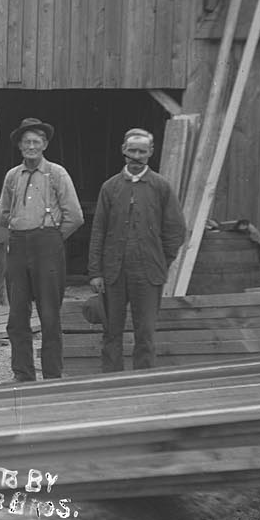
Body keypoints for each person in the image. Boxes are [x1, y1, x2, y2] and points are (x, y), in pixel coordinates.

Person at [88, 128, 187, 372]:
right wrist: (96, 272)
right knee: (111, 331)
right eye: (132, 150)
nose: (136, 156)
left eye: (142, 152)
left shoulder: (161, 187)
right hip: (114, 272)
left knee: (145, 333)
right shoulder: (110, 187)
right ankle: (111, 381)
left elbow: (175, 230)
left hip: (148, 273)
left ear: (150, 152)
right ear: (123, 150)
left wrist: (160, 260)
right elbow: (98, 231)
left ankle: (144, 383)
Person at [0, 117, 84, 383]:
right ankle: (22, 374)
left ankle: (52, 376)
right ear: (20, 146)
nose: (31, 147)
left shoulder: (57, 174)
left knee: (49, 314)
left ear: (45, 145)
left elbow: (75, 216)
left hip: (47, 246)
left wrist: (53, 239)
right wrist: (20, 227)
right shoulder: (13, 175)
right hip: (19, 245)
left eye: (36, 142)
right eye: (26, 142)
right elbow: (3, 215)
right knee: (17, 315)